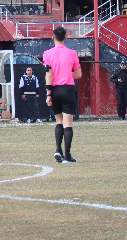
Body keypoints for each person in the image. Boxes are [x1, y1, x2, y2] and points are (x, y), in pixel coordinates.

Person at [40, 27, 82, 164]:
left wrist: (48, 94)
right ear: (66, 37)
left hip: (55, 90)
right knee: (68, 123)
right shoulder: (72, 53)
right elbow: (78, 74)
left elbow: (49, 74)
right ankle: (67, 156)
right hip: (68, 89)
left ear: (53, 38)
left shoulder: (47, 54)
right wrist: (68, 74)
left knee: (58, 121)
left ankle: (58, 149)